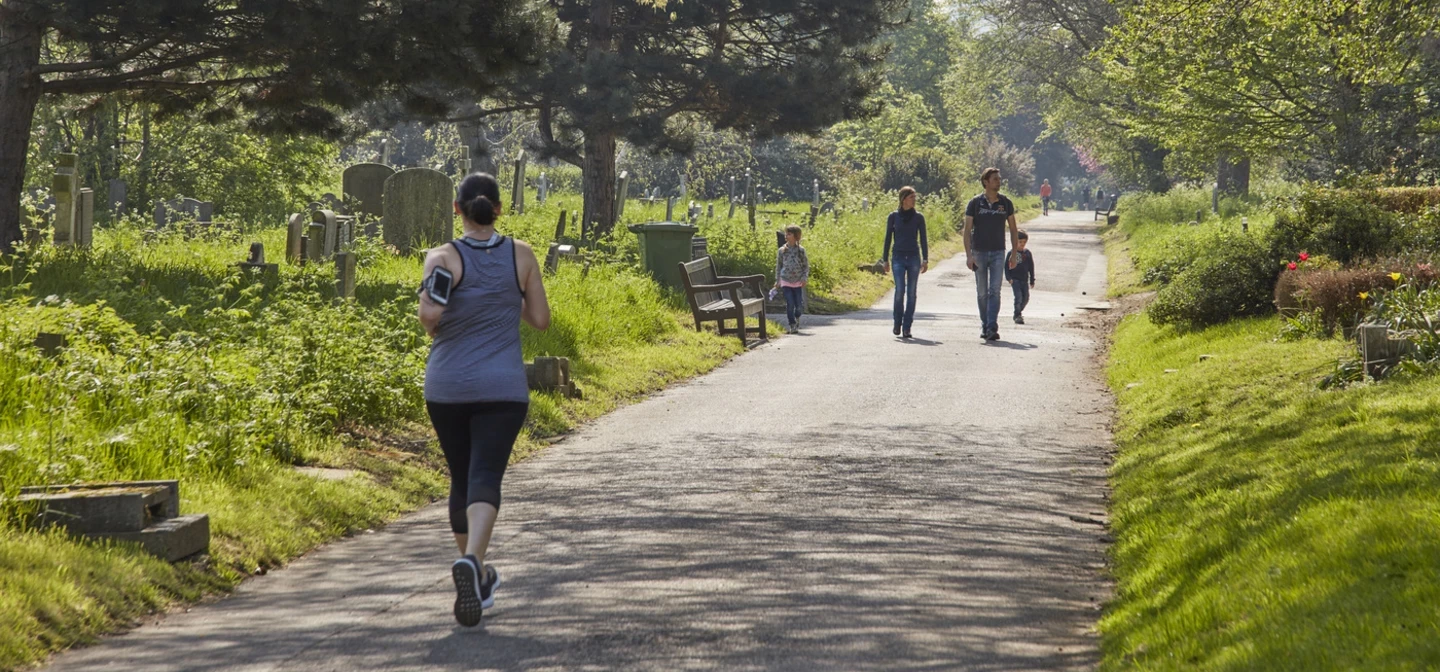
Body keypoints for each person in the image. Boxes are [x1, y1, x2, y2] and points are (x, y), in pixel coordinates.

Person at [418, 173, 551, 628]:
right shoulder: (523, 255)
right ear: (498, 208)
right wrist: (504, 300)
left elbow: (429, 315)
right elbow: (540, 320)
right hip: (502, 389)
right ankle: (474, 563)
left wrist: (448, 308)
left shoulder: (442, 258)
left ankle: (474, 572)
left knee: (461, 477)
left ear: (457, 209)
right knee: (486, 474)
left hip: (447, 387)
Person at [964, 167, 1022, 341]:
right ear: (986, 182)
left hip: (998, 252)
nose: (999, 181)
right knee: (982, 292)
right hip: (979, 252)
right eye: (995, 179)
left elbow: (1013, 229)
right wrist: (969, 255)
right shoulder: (975, 203)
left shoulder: (1006, 203)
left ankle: (991, 327)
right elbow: (967, 230)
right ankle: (984, 324)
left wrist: (1013, 254)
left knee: (994, 291)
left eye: (999, 178)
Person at [882, 186, 929, 339]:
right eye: (911, 198)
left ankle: (907, 326)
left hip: (914, 256)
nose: (914, 200)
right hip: (898, 257)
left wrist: (925, 259)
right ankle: (897, 322)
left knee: (912, 293)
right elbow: (888, 238)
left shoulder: (919, 217)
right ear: (903, 200)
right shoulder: (893, 217)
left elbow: (923, 239)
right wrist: (885, 259)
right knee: (900, 290)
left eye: (915, 197)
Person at [773, 224, 811, 334]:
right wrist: (778, 280)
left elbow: (805, 266)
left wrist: (804, 278)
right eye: (786, 234)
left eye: (789, 234)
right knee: (790, 303)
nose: (786, 236)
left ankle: (797, 316)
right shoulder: (782, 251)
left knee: (798, 305)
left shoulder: (801, 251)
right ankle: (792, 324)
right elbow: (779, 266)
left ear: (796, 236)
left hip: (798, 281)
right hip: (785, 280)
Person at [1006, 229, 1036, 324]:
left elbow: (1031, 267)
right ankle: (1017, 315)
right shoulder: (1011, 254)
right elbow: (1006, 267)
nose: (1022, 244)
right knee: (1018, 296)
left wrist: (1032, 280)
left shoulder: (1027, 253)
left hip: (1024, 280)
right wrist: (1009, 278)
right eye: (1020, 242)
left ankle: (1019, 311)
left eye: (1024, 242)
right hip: (1015, 280)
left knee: (1026, 297)